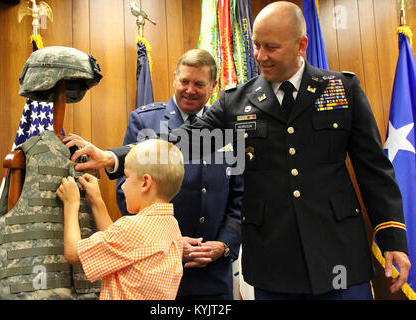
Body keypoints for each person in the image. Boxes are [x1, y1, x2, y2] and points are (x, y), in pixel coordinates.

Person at [64, 1, 411, 300]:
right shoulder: (237, 101)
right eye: (256, 45)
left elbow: (374, 168)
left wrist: (393, 235)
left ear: (301, 45)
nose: (260, 56)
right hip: (274, 260)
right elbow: (184, 138)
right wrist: (114, 157)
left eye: (271, 47)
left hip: (338, 252)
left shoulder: (341, 90)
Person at [114, 49, 243, 300]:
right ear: (174, 78)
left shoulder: (229, 126)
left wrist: (225, 244)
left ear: (214, 85)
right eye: (184, 81)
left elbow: (241, 196)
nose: (190, 89)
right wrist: (169, 242)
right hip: (157, 267)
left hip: (214, 272)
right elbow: (126, 193)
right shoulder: (145, 122)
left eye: (199, 84)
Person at [56, 139, 185, 300]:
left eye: (127, 177)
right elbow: (119, 245)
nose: (122, 186)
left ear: (145, 182)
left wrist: (71, 203)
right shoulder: (172, 225)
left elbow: (74, 253)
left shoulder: (132, 228)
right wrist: (97, 201)